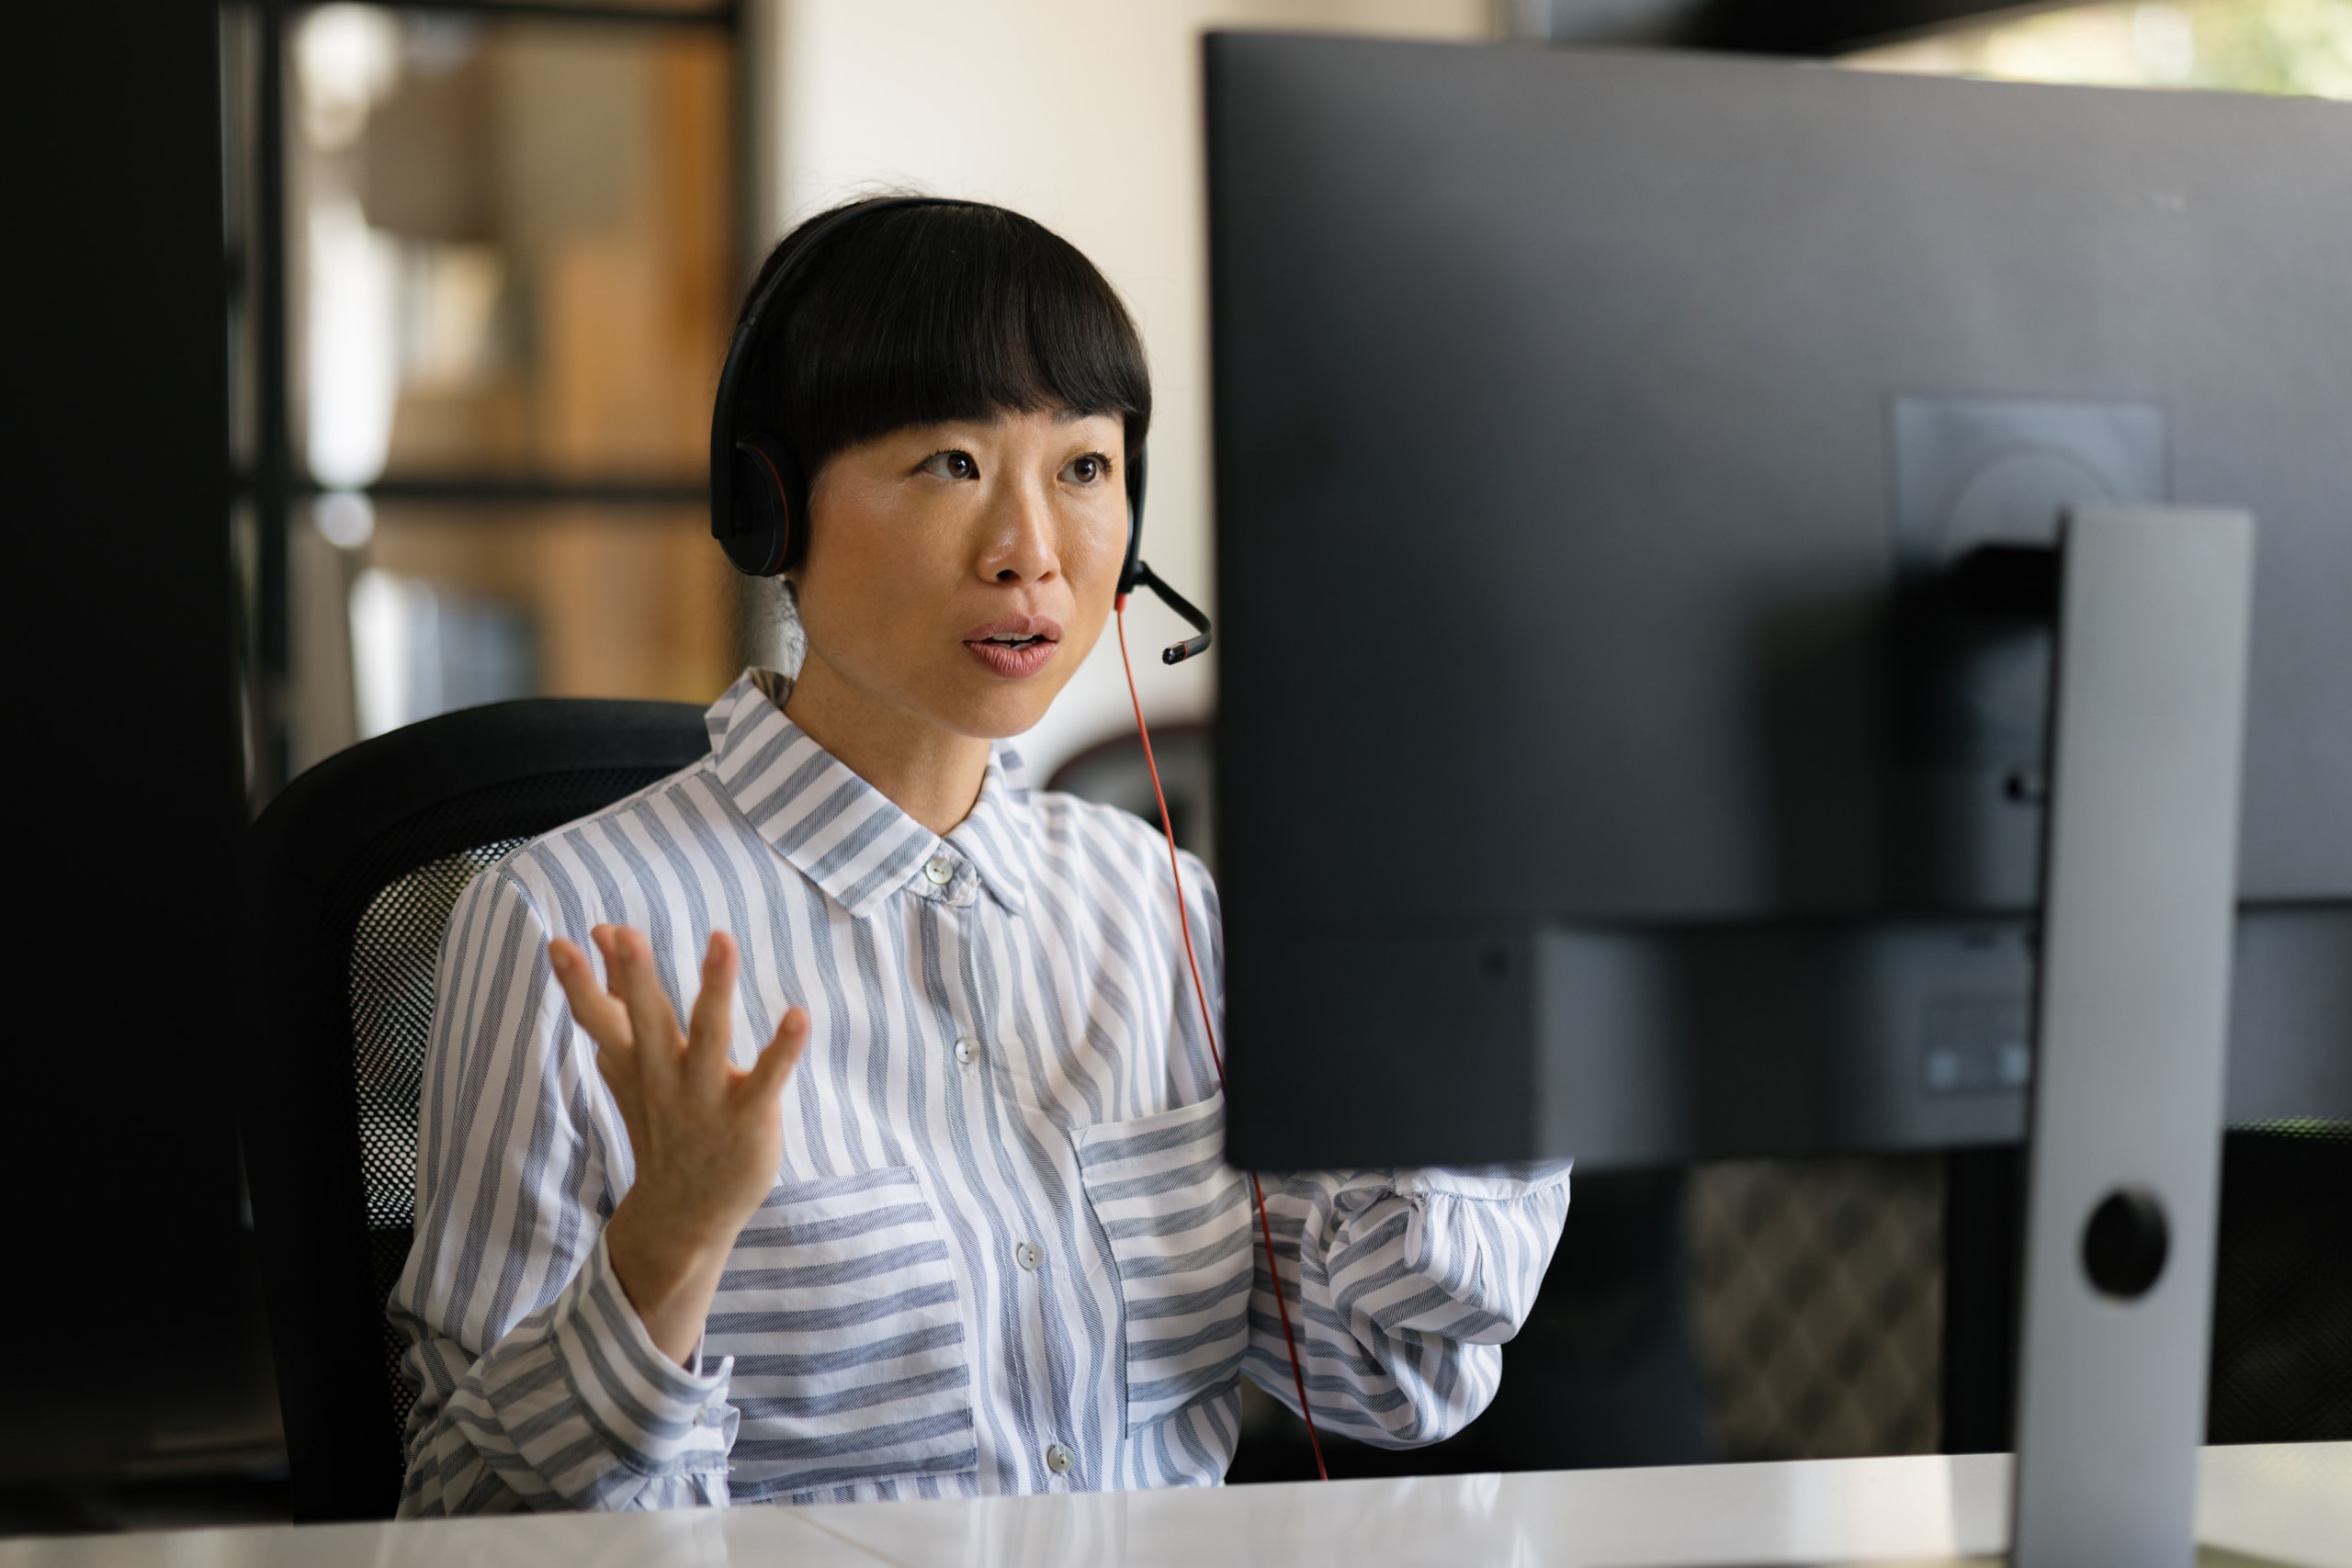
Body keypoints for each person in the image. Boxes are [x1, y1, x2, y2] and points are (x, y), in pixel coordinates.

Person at [390, 197, 1571, 1515]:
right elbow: (455, 1523)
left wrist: (1467, 1000)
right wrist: (661, 1255)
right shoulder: (572, 924)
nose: (1031, 555)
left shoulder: (1152, 902)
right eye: (951, 462)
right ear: (772, 510)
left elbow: (1392, 1375)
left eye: (1083, 469)